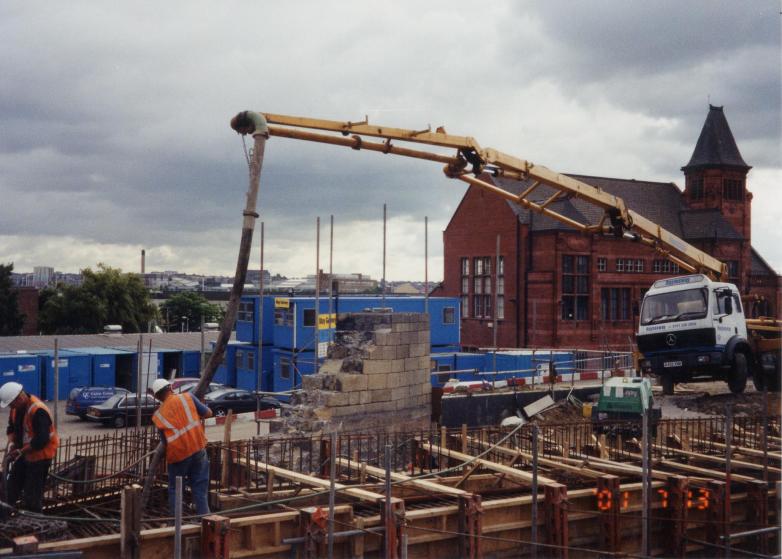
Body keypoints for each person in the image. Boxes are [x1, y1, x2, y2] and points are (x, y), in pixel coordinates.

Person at [150, 378, 213, 516]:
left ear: (157, 397)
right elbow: (208, 413)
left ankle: (176, 523)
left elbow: (165, 443)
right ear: (171, 388)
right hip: (198, 448)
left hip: (178, 456)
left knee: (175, 489)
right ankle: (205, 520)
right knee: (199, 487)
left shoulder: (158, 416)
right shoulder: (187, 397)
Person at [0, 382, 59, 513]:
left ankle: (35, 523)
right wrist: (12, 442)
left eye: (11, 404)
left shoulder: (38, 410)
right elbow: (11, 427)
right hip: (25, 454)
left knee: (32, 496)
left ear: (19, 398)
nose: (10, 407)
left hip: (40, 456)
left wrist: (20, 451)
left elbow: (41, 440)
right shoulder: (16, 408)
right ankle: (4, 516)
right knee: (11, 487)